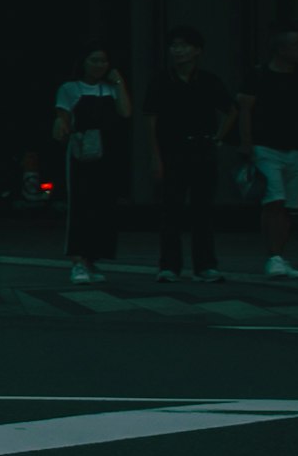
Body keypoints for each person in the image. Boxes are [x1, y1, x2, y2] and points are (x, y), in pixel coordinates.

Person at [145, 26, 233, 292]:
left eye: (184, 46)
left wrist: (218, 137)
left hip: (202, 149)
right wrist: (155, 157)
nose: (178, 50)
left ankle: (204, 265)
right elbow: (151, 121)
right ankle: (169, 265)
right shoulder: (162, 80)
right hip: (173, 150)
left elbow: (231, 110)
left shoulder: (208, 80)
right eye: (174, 46)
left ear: (197, 50)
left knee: (202, 210)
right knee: (171, 209)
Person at [50, 50, 130, 290]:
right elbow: (62, 117)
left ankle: (92, 258)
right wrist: (61, 127)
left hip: (107, 154)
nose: (99, 65)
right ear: (83, 62)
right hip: (81, 154)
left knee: (103, 206)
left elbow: (126, 112)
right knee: (80, 205)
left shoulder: (111, 88)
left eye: (104, 60)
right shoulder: (70, 88)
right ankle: (77, 259)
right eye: (94, 60)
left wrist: (119, 81)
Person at [246, 26, 298, 283]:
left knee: (287, 204)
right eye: (297, 45)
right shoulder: (259, 75)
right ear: (281, 49)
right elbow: (245, 109)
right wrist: (247, 144)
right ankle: (273, 255)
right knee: (274, 200)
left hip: (293, 146)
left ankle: (278, 256)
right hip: (266, 145)